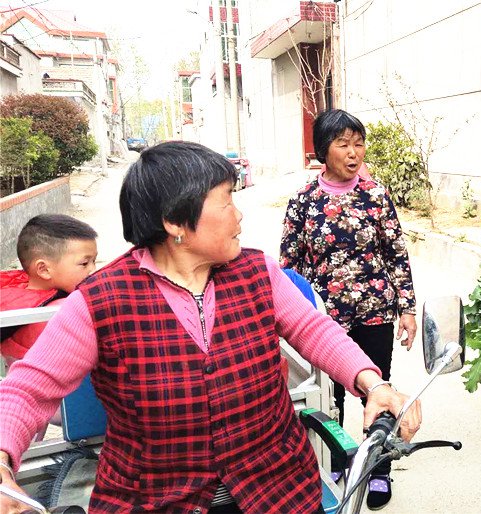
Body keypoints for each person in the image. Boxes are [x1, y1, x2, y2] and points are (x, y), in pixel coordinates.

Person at [0, 141, 422, 514]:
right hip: (154, 500)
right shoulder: (100, 300)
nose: (239, 215)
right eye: (226, 200)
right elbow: (28, 389)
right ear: (174, 221)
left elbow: (314, 329)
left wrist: (373, 383)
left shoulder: (258, 272)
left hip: (279, 491)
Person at [280, 109, 417, 510]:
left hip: (375, 310)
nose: (354, 152)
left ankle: (379, 469)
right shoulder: (304, 200)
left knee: (377, 388)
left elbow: (396, 254)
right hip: (324, 319)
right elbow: (288, 265)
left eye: (359, 144)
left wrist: (407, 308)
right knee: (331, 395)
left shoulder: (376, 195)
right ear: (324, 150)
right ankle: (340, 461)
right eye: (343, 144)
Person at [1, 214, 98, 370]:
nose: (93, 270)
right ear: (44, 269)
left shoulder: (13, 294)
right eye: (84, 263)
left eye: (94, 261)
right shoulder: (58, 311)